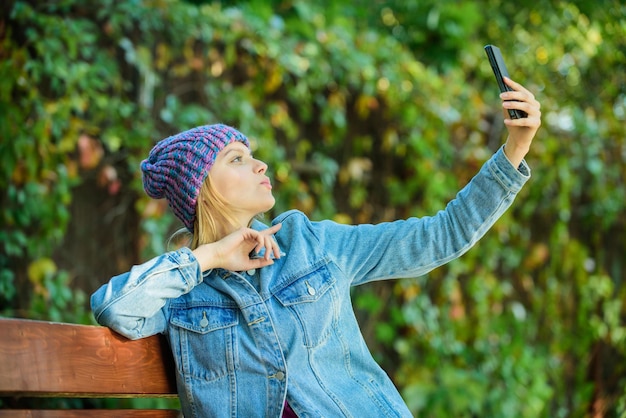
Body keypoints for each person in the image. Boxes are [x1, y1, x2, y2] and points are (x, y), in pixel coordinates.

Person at [91, 77, 541, 417]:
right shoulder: (182, 291)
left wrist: (514, 150)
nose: (259, 163)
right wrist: (208, 257)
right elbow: (115, 309)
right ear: (202, 190)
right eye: (237, 159)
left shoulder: (310, 243)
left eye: (251, 154)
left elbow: (438, 236)